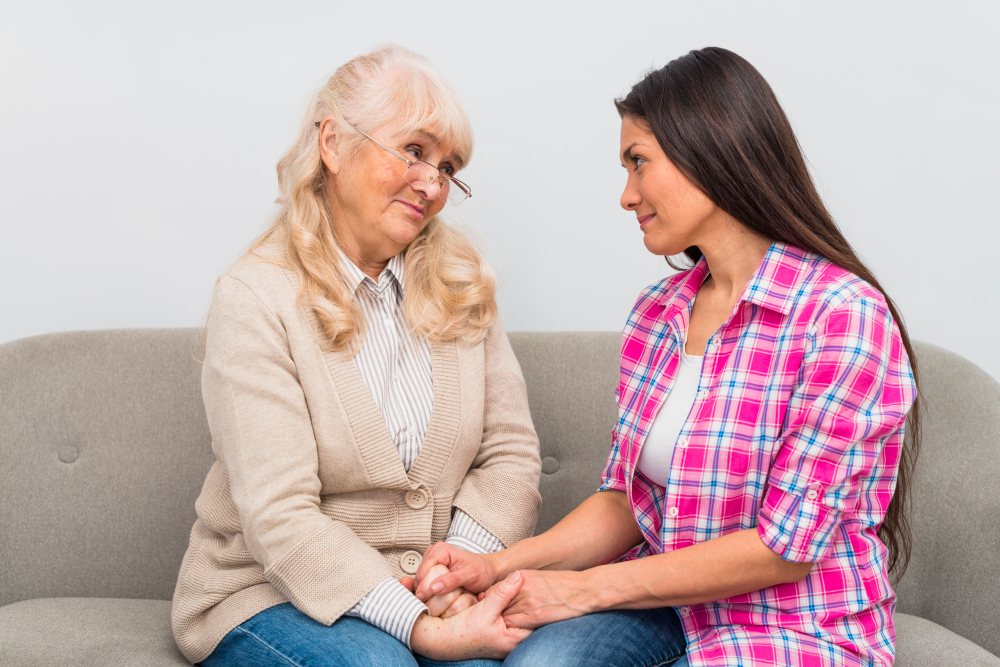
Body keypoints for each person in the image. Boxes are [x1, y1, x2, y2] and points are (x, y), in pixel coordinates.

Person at [414, 47, 919, 667]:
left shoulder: (842, 316)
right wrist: (496, 565)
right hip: (663, 608)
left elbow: (784, 547)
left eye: (638, 163)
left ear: (709, 152)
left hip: (796, 622)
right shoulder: (658, 312)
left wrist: (580, 591)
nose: (626, 196)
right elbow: (629, 500)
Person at [170, 45, 542, 666]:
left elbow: (511, 454)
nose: (432, 182)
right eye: (415, 151)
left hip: (433, 590)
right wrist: (419, 624)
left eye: (449, 167)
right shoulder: (255, 296)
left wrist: (450, 577)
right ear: (333, 144)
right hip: (267, 593)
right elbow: (280, 516)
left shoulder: (464, 284)